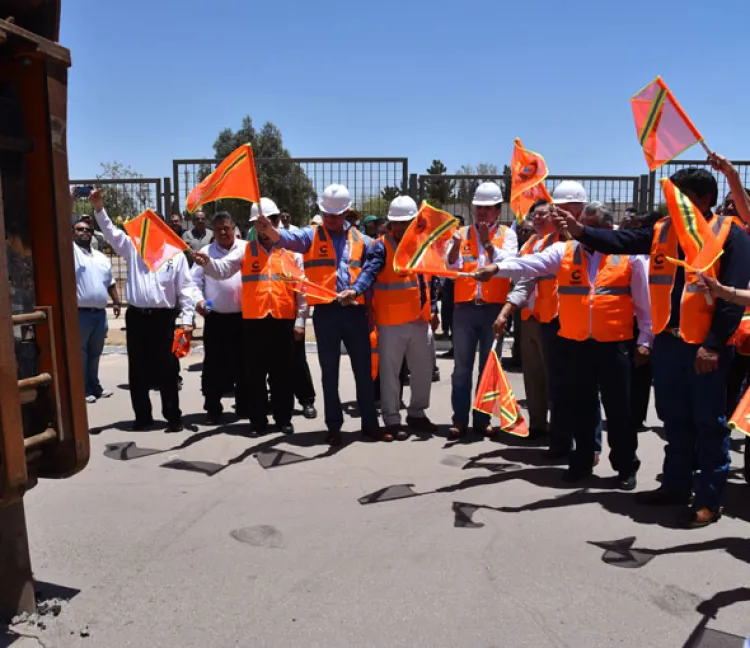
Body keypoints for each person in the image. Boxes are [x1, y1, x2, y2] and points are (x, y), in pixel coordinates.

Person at [553, 164, 750, 527]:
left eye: (680, 197)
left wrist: (713, 345)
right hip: (670, 344)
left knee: (709, 424)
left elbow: (730, 300)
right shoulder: (663, 229)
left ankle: (709, 498)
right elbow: (622, 242)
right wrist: (580, 231)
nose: (671, 203)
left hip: (704, 348)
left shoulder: (729, 234)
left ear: (704, 199)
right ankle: (675, 486)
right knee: (674, 420)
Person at [479, 204, 649, 489]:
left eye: (590, 226)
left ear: (607, 229)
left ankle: (625, 466)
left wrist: (645, 340)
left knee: (620, 411)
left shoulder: (629, 257)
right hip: (576, 344)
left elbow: (645, 305)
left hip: (614, 345)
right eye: (581, 224)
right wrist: (497, 268)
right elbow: (530, 264)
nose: (581, 231)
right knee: (580, 406)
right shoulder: (564, 252)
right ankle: (581, 461)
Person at [254, 184, 383, 445]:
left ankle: (370, 424)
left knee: (363, 371)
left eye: (336, 215)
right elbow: (287, 239)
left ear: (347, 212)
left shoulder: (364, 241)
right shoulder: (310, 235)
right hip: (326, 313)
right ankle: (334, 426)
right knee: (329, 373)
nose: (331, 219)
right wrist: (269, 229)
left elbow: (370, 272)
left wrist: (355, 291)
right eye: (326, 214)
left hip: (355, 312)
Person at [193, 198, 305, 436]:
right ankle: (258, 421)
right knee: (254, 375)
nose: (263, 228)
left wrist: (300, 321)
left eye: (268, 223)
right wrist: (208, 263)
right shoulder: (246, 251)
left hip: (283, 321)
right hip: (254, 323)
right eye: (258, 224)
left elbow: (301, 291)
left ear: (276, 222)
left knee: (282, 374)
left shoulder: (291, 253)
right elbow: (222, 270)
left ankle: (283, 418)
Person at [90, 189, 195, 432]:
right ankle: (143, 417)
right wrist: (99, 209)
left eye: (155, 226)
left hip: (165, 319)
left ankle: (173, 417)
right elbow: (111, 234)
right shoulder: (132, 248)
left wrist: (187, 320)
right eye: (146, 226)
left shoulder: (175, 256)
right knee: (138, 370)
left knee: (169, 368)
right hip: (137, 318)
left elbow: (186, 289)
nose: (150, 231)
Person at [342, 196, 439, 439]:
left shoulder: (422, 245)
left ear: (414, 222)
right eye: (396, 222)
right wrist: (356, 289)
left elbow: (431, 279)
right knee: (390, 374)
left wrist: (434, 307)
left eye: (405, 222)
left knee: (423, 370)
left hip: (419, 320)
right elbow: (369, 272)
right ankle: (392, 420)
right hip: (390, 322)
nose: (400, 227)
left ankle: (417, 414)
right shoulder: (380, 246)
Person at [445, 182, 518, 439]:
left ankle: (481, 418)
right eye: (479, 208)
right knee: (461, 368)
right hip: (465, 309)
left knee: (488, 367)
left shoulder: (507, 235)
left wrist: (487, 244)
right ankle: (459, 419)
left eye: (488, 209)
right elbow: (451, 271)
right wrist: (454, 248)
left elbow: (509, 265)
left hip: (493, 310)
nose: (482, 213)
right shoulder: (461, 233)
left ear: (498, 211)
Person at [491, 200, 560, 439]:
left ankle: (563, 434)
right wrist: (506, 311)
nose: (537, 218)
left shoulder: (564, 243)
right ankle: (539, 425)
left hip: (556, 321)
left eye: (542, 214)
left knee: (558, 380)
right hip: (530, 319)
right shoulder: (531, 243)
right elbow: (523, 281)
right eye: (534, 215)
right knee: (533, 375)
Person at [191, 212, 247, 424]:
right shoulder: (205, 252)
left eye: (226, 227)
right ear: (212, 232)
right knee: (214, 365)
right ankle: (213, 407)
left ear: (234, 228)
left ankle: (244, 406)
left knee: (244, 364)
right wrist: (199, 301)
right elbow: (193, 282)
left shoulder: (246, 248)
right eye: (218, 229)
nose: (223, 232)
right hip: (216, 317)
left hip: (244, 317)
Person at [73, 216, 122, 403]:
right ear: (73, 232)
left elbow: (109, 282)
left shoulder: (101, 257)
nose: (84, 232)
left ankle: (95, 386)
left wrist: (116, 302)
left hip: (100, 315)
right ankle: (84, 389)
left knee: (95, 353)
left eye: (88, 230)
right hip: (80, 314)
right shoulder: (71, 252)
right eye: (80, 229)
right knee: (81, 353)